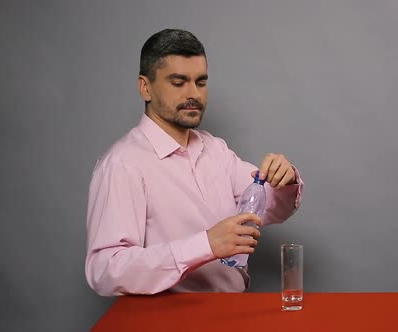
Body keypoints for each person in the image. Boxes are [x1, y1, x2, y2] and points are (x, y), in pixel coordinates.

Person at [85, 29, 303, 296]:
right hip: (170, 319)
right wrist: (205, 245)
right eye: (178, 82)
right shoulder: (122, 165)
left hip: (232, 311)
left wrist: (286, 179)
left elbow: (267, 209)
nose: (194, 94)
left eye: (200, 82)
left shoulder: (214, 149)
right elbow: (105, 271)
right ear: (146, 87)